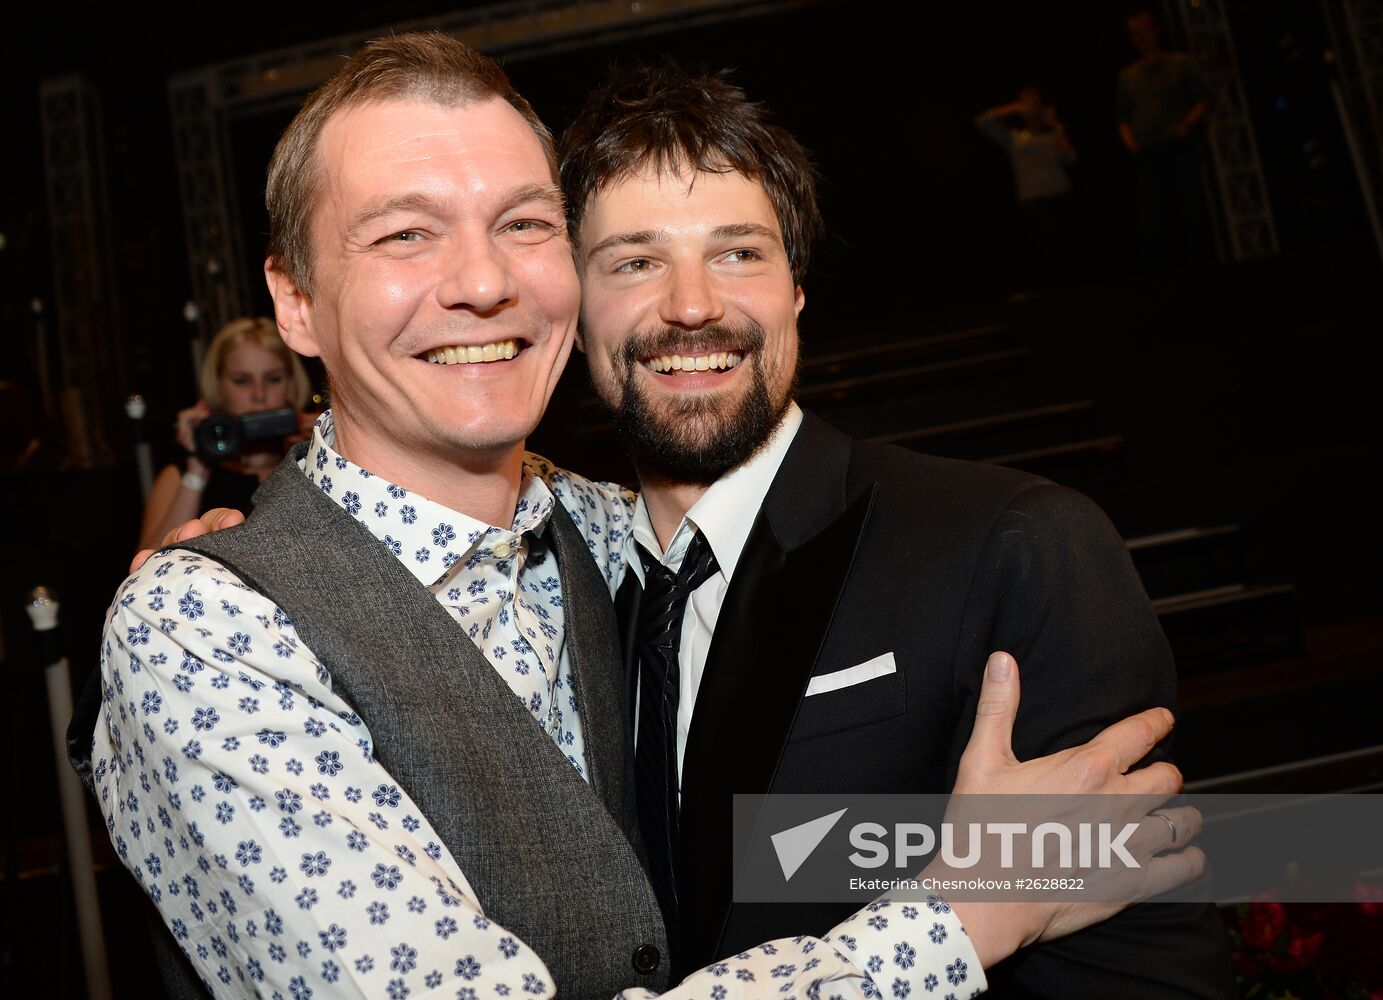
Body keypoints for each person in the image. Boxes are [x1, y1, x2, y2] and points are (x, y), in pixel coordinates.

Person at [92, 34, 1209, 1000]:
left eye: (523, 224)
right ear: (293, 300)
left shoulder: (616, 532)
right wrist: (962, 911)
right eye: (405, 235)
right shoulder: (213, 628)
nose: (481, 282)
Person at [560, 63, 1234, 994]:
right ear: (571, 309)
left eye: (738, 252)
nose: (691, 304)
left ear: (797, 290)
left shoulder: (1010, 543)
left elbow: (1140, 970)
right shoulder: (566, 598)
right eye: (635, 261)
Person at [138, 317, 312, 549]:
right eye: (241, 381)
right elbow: (148, 571)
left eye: (273, 379)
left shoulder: (312, 459)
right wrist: (197, 470)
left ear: (291, 384)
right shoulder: (180, 476)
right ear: (218, 387)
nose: (259, 394)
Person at [1117, 9, 1212, 269]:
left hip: (1179, 145)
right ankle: (1159, 273)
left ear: (1156, 31)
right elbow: (1123, 116)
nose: (1141, 38)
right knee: (1152, 216)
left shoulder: (1180, 63)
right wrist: (1130, 140)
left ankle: (1203, 265)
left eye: (1144, 31)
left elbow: (1203, 99)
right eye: (1135, 34)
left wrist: (1187, 124)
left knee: (1191, 207)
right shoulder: (1127, 76)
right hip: (1148, 150)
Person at [974, 85, 1081, 284]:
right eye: (1027, 101)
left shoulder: (1051, 135)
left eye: (1035, 101)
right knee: (1045, 251)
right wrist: (1014, 107)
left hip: (1060, 194)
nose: (1032, 106)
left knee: (1069, 250)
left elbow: (1070, 157)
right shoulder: (1014, 138)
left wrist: (1056, 124)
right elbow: (982, 122)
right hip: (1033, 199)